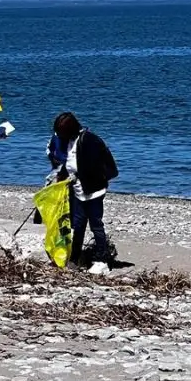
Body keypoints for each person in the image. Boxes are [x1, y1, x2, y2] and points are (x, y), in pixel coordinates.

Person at [52, 112, 118, 268]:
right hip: (78, 191)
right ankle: (75, 258)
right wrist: (62, 178)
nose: (59, 136)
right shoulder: (68, 142)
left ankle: (102, 260)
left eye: (61, 133)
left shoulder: (88, 140)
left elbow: (93, 167)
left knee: (96, 224)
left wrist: (78, 177)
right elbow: (68, 163)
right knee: (78, 225)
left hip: (94, 191)